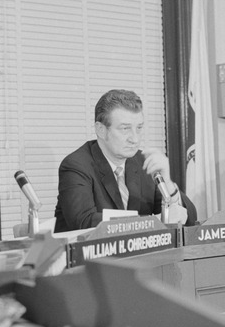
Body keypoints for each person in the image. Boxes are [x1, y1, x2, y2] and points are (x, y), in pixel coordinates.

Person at [54, 89, 198, 233]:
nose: (135, 139)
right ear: (101, 130)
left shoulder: (144, 162)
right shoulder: (76, 166)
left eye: (139, 128)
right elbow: (84, 222)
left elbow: (190, 218)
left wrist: (167, 182)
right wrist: (151, 222)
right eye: (125, 129)